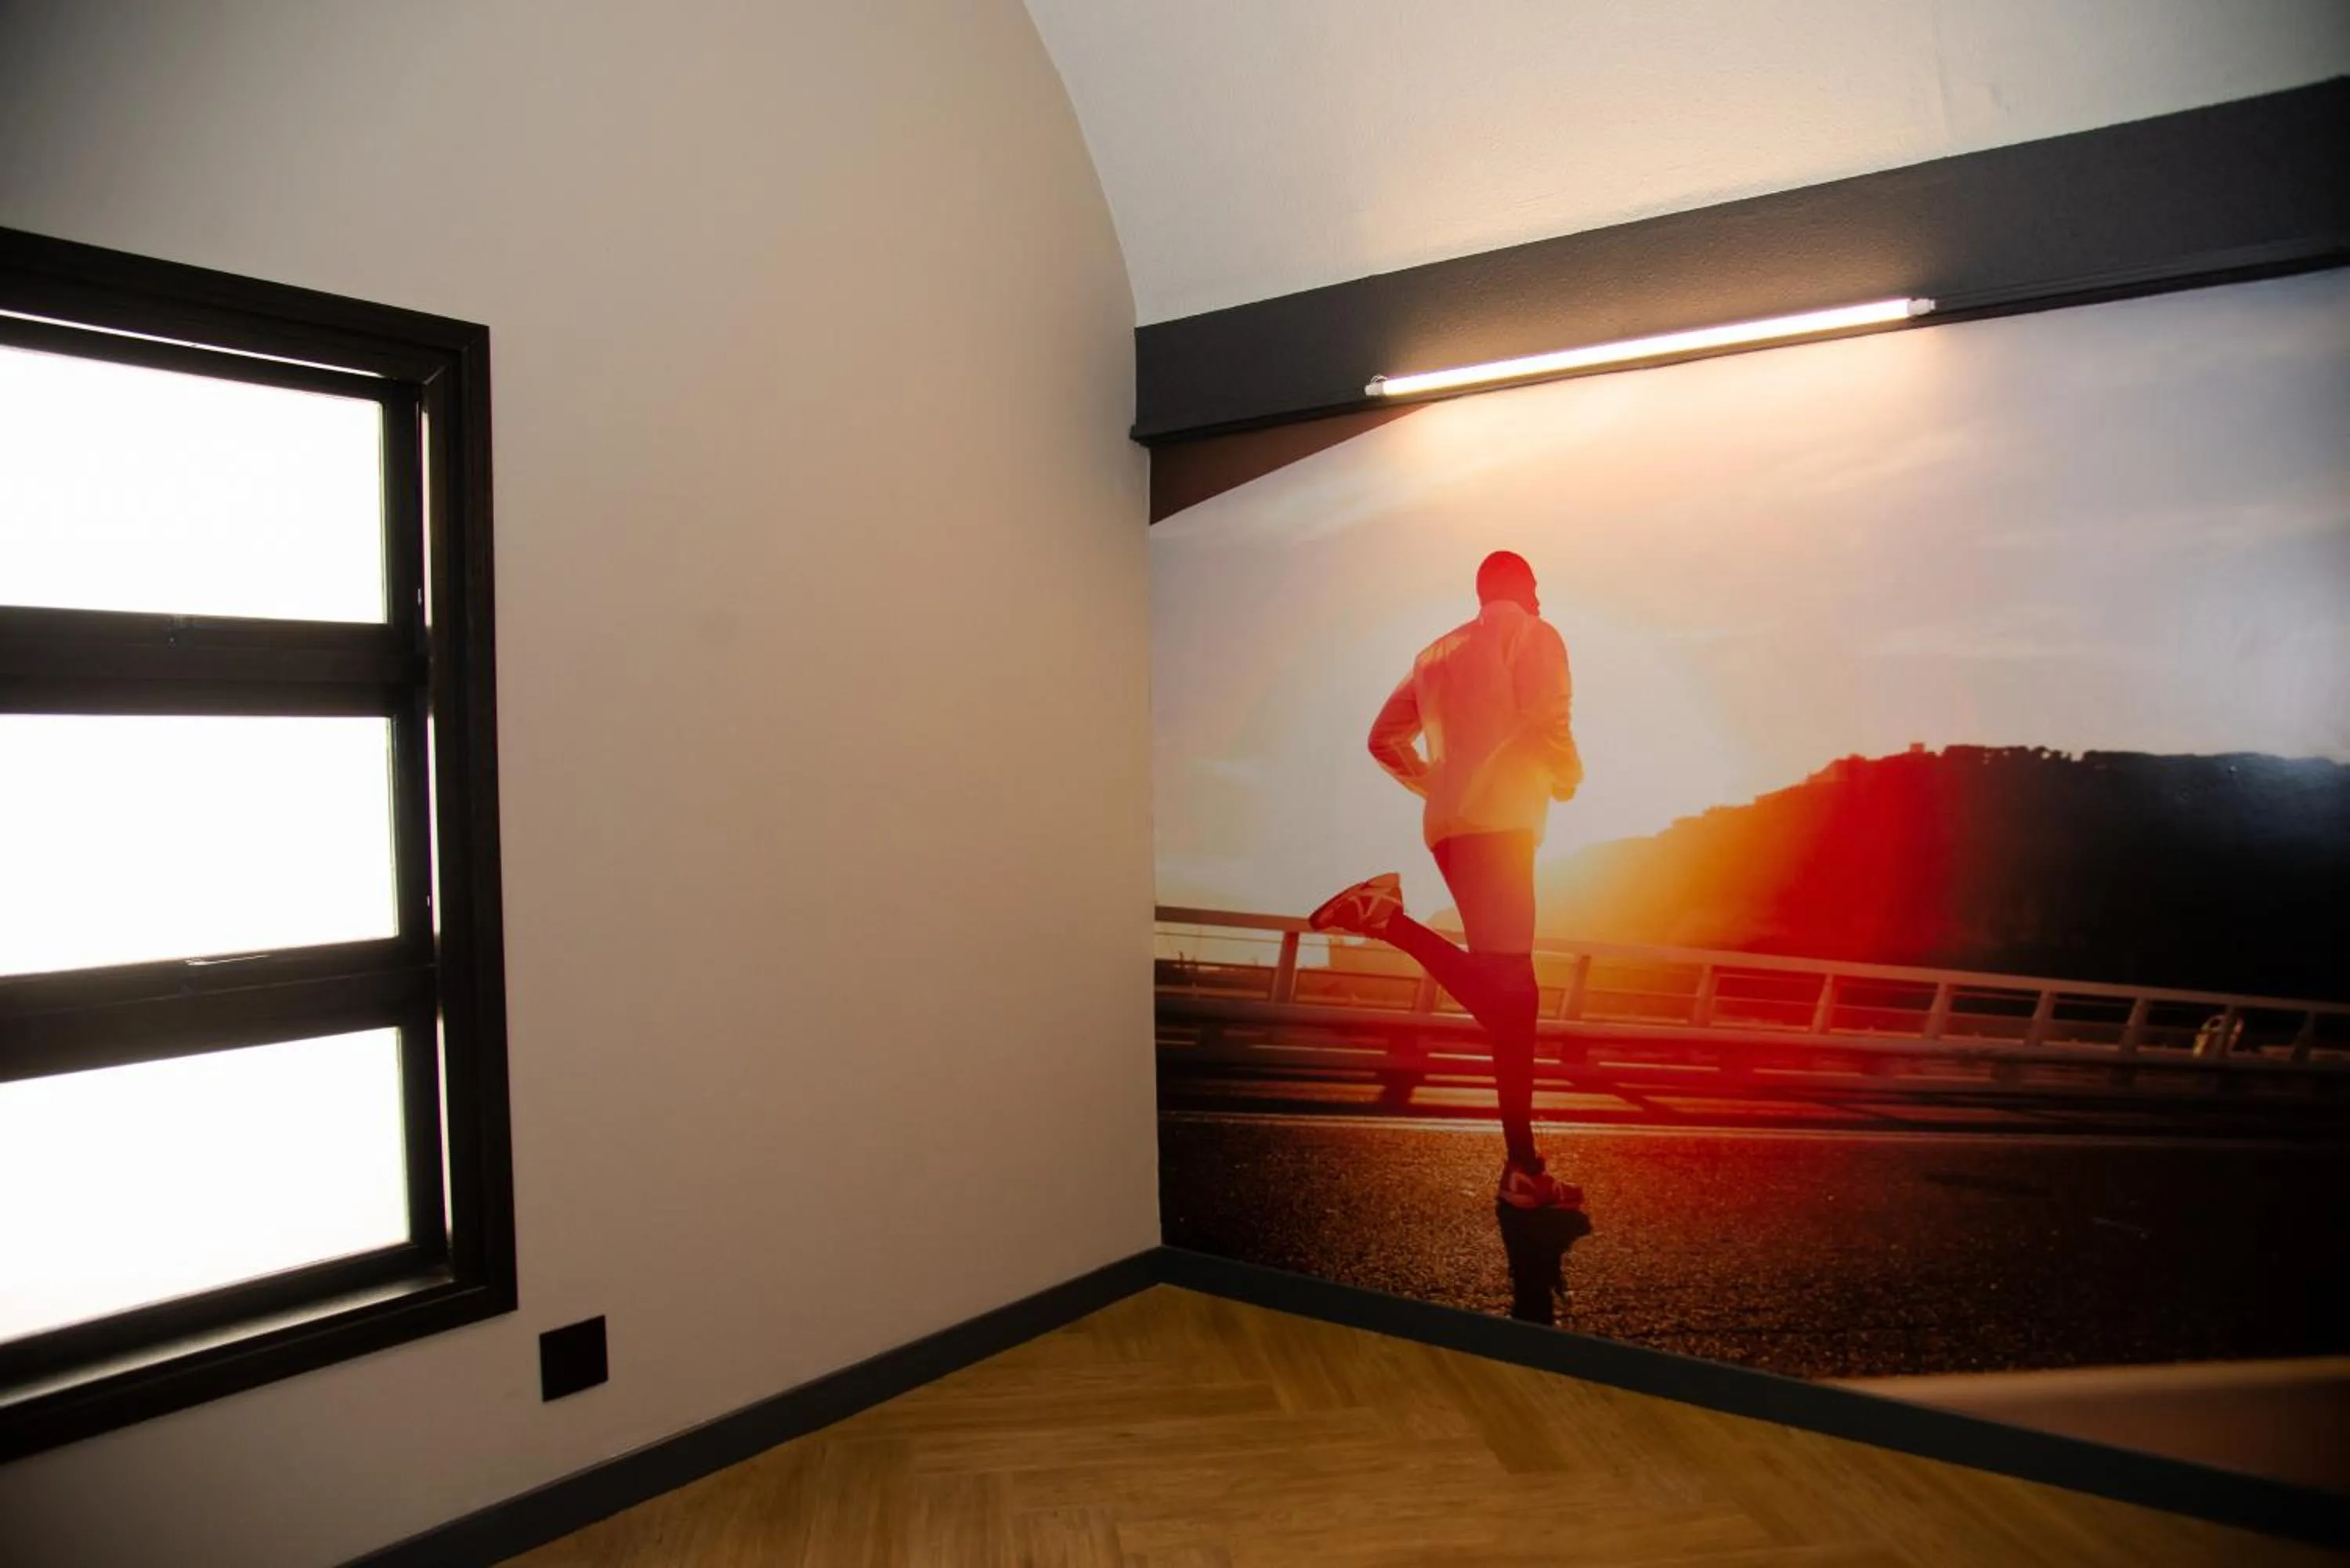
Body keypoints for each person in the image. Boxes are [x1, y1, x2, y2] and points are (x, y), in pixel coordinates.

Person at [1308, 550, 1586, 1210]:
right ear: (1520, 586)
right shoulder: (1535, 634)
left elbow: (1383, 739)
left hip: (1448, 833)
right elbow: (1550, 717)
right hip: (1504, 826)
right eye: (1536, 586)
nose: (1541, 597)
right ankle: (1388, 921)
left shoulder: (1433, 655)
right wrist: (1568, 778)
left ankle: (1524, 1168)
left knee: (1510, 997)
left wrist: (1439, 786)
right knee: (1514, 998)